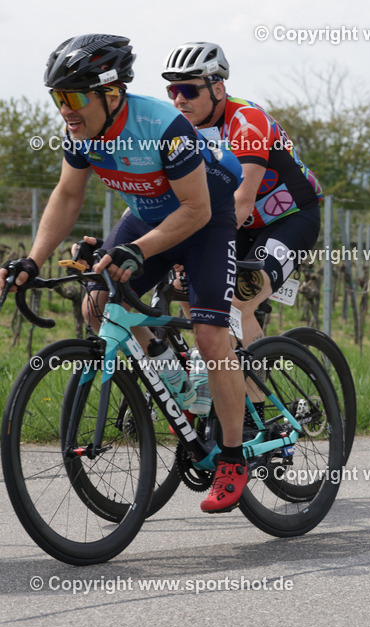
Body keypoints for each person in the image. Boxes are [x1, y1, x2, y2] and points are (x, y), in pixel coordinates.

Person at [0, 34, 249, 513]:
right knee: (97, 303)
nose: (65, 110)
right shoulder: (82, 132)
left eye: (74, 97)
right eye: (58, 98)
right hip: (150, 215)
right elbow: (68, 196)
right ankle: (170, 373)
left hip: (205, 216)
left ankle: (233, 457)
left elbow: (195, 210)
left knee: (211, 335)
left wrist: (138, 249)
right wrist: (32, 259)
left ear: (111, 93)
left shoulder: (163, 126)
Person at [161, 42, 323, 348]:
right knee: (187, 291)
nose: (179, 100)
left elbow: (242, 201)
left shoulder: (247, 121)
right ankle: (219, 375)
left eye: (190, 91)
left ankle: (254, 395)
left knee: (236, 302)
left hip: (289, 219)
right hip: (240, 224)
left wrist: (189, 242)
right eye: (173, 91)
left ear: (218, 89)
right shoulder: (181, 130)